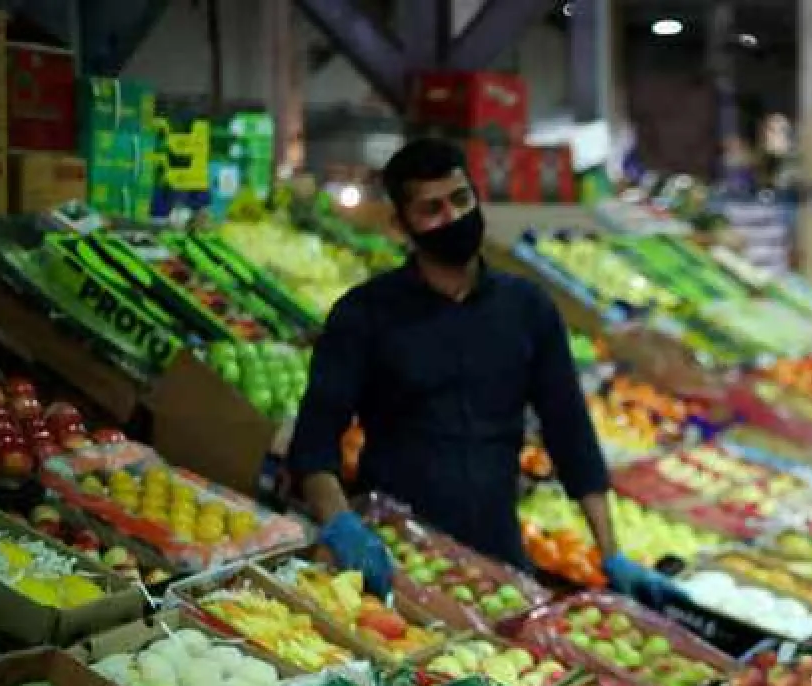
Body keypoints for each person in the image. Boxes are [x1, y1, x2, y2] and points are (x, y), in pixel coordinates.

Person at [287, 138, 674, 606]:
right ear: (400, 225)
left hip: (500, 555)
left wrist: (611, 553)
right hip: (397, 557)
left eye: (460, 200)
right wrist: (340, 524)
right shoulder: (363, 315)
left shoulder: (527, 308)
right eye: (431, 209)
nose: (452, 218)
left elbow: (570, 432)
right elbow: (313, 443)